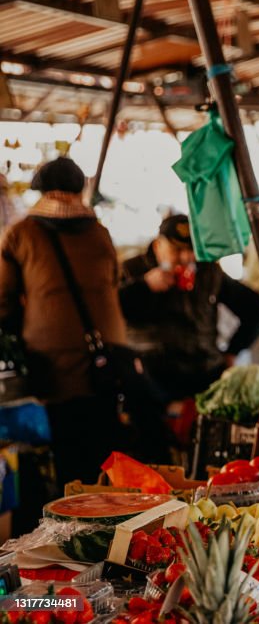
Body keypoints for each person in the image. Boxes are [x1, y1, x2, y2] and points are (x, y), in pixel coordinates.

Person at [0, 158, 139, 483]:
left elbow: (3, 301)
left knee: (68, 455)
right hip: (106, 359)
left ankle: (72, 520)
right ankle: (110, 520)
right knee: (104, 455)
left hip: (53, 364)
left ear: (42, 191)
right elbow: (112, 281)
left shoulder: (20, 233)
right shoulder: (100, 231)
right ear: (80, 190)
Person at [118, 214, 259, 404]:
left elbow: (257, 308)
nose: (186, 258)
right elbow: (111, 309)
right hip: (153, 373)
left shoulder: (207, 270)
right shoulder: (131, 269)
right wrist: (144, 286)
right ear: (158, 246)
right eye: (177, 250)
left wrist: (233, 351)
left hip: (204, 368)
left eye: (192, 250)